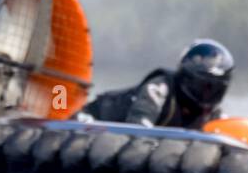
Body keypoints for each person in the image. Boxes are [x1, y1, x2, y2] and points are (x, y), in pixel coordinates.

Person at [77, 39, 234, 129]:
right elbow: (138, 131)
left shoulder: (214, 113)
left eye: (213, 89)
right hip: (94, 116)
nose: (206, 94)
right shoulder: (158, 89)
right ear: (187, 79)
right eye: (203, 86)